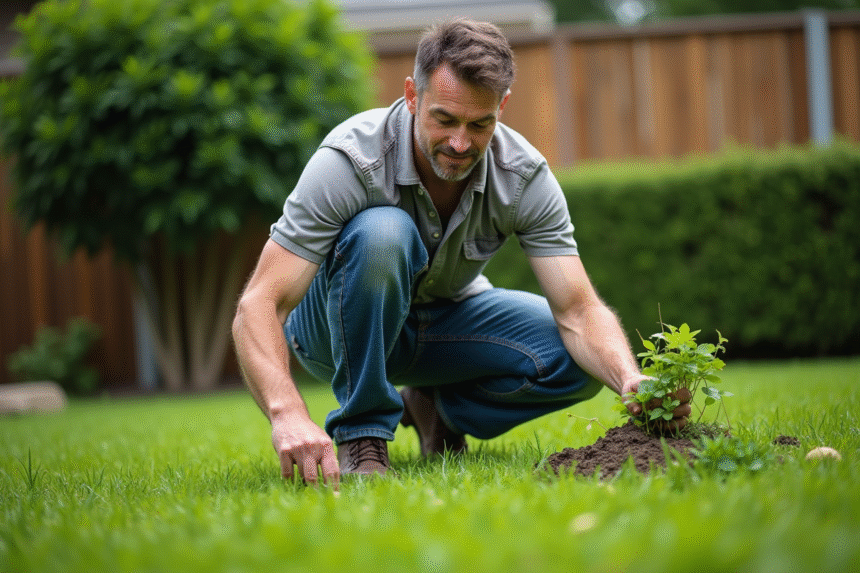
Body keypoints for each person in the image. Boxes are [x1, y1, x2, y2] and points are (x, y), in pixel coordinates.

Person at [232, 18, 691, 486]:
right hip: (331, 332)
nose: (459, 142)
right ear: (413, 97)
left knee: (573, 362)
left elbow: (577, 308)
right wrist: (287, 413)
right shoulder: (351, 160)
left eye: (480, 124)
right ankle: (362, 434)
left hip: (442, 322)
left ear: (502, 107)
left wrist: (631, 380)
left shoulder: (523, 176)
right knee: (383, 232)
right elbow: (259, 304)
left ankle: (436, 407)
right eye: (444, 119)